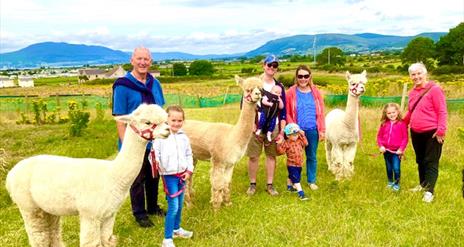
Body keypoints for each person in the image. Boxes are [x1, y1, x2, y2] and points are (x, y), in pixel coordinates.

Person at [112, 47, 165, 227]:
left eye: (146, 59)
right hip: (134, 141)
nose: (143, 62)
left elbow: (160, 111)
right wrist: (124, 143)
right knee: (136, 177)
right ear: (132, 60)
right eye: (139, 59)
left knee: (153, 175)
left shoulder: (154, 83)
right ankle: (139, 213)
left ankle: (152, 206)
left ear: (150, 61)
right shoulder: (123, 86)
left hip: (154, 139)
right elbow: (119, 118)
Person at [404, 62, 447, 203]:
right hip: (416, 132)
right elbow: (411, 111)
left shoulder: (435, 90)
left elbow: (442, 111)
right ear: (410, 76)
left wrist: (441, 130)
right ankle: (423, 184)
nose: (416, 77)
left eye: (419, 73)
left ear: (425, 74)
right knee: (420, 160)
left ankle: (429, 192)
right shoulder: (412, 93)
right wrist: (402, 124)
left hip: (432, 133)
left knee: (431, 162)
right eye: (413, 74)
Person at [152, 105, 194, 247]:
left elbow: (189, 154)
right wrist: (157, 163)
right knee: (173, 206)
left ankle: (176, 229)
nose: (176, 123)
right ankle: (167, 239)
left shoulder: (183, 137)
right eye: (173, 120)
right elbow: (154, 154)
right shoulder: (161, 136)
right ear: (166, 119)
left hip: (182, 175)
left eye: (179, 120)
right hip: (169, 176)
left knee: (180, 205)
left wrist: (189, 170)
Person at [246, 54, 286, 196]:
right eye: (269, 65)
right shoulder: (255, 84)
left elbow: (283, 111)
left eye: (275, 66)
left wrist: (281, 131)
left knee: (271, 155)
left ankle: (270, 185)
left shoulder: (279, 87)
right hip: (256, 125)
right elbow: (245, 104)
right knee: (253, 156)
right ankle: (252, 184)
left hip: (273, 126)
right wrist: (250, 123)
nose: (272, 68)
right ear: (264, 65)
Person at [285, 65, 325, 190]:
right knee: (294, 156)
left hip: (312, 130)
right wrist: (295, 128)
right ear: (296, 77)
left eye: (306, 76)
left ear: (309, 77)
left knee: (311, 156)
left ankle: (311, 180)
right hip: (296, 132)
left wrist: (322, 130)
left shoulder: (315, 91)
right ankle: (293, 180)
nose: (303, 79)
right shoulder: (291, 92)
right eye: (300, 76)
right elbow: (287, 112)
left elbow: (321, 112)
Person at [376, 103, 408, 191]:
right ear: (385, 114)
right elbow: (379, 136)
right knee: (389, 168)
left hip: (396, 152)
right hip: (386, 151)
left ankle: (397, 183)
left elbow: (405, 138)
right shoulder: (384, 124)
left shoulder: (402, 124)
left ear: (397, 112)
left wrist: (401, 149)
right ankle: (390, 181)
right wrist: (381, 146)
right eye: (389, 113)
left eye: (393, 112)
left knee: (396, 168)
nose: (391, 115)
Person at [276, 123, 309, 200]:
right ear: (288, 135)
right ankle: (301, 194)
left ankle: (289, 187)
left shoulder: (299, 141)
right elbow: (281, 152)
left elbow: (306, 143)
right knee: (296, 179)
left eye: (297, 134)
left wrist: (302, 135)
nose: (296, 136)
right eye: (293, 135)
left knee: (292, 176)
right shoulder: (286, 143)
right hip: (291, 165)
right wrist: (279, 144)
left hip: (299, 164)